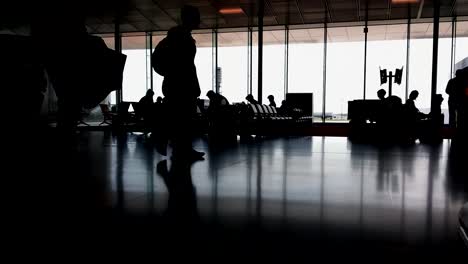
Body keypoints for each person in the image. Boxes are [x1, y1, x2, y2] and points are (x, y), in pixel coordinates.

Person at [159, 5, 204, 161]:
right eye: (196, 17)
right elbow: (185, 65)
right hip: (181, 84)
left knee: (181, 118)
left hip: (178, 83)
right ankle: (179, 147)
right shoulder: (181, 36)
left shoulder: (178, 35)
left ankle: (181, 148)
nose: (199, 20)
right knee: (183, 118)